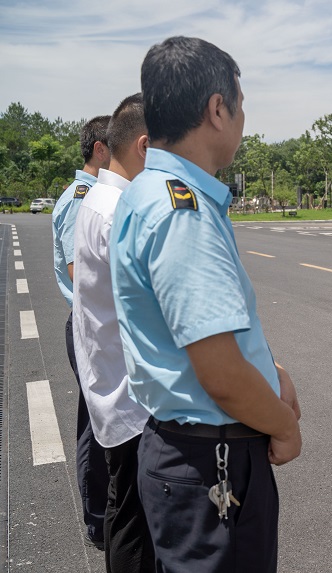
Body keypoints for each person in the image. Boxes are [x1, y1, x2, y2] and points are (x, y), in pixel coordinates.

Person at [110, 36, 301, 572]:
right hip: (211, 460)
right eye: (240, 105)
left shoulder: (150, 191)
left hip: (187, 452)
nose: (243, 120)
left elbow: (195, 338)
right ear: (218, 108)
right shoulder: (183, 211)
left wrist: (270, 369)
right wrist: (283, 425)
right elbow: (217, 372)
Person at [72, 93, 154, 572]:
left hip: (113, 384)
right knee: (135, 523)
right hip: (133, 398)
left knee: (125, 512)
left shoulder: (100, 200)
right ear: (145, 147)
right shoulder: (121, 211)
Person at [51, 114, 111, 550]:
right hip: (89, 322)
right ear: (100, 149)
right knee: (95, 421)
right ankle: (96, 520)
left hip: (95, 322)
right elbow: (80, 274)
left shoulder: (89, 194)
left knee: (101, 416)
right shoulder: (83, 197)